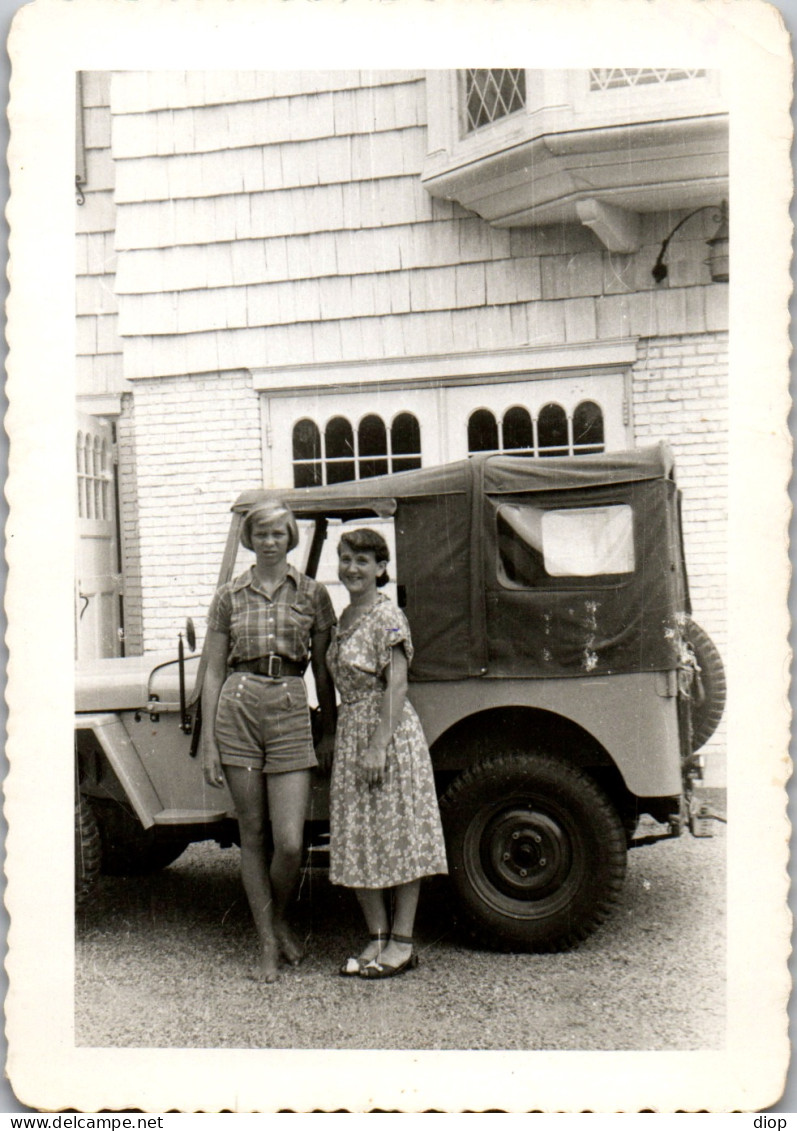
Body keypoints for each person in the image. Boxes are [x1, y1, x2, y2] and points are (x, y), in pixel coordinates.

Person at [201, 499, 337, 983]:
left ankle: (277, 919)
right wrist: (212, 743)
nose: (270, 540)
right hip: (238, 704)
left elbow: (323, 669)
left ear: (290, 537)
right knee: (252, 833)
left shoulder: (313, 594)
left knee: (290, 841)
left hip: (290, 705)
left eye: (279, 533)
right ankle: (265, 939)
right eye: (261, 533)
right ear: (250, 539)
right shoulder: (229, 595)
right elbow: (214, 670)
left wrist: (330, 729)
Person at [327, 528, 448, 979]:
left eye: (362, 560)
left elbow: (397, 683)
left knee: (399, 834)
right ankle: (376, 936)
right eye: (345, 559)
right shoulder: (344, 617)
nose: (352, 568)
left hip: (388, 734)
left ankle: (402, 941)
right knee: (359, 835)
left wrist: (378, 745)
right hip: (351, 732)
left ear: (381, 568)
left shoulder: (387, 615)